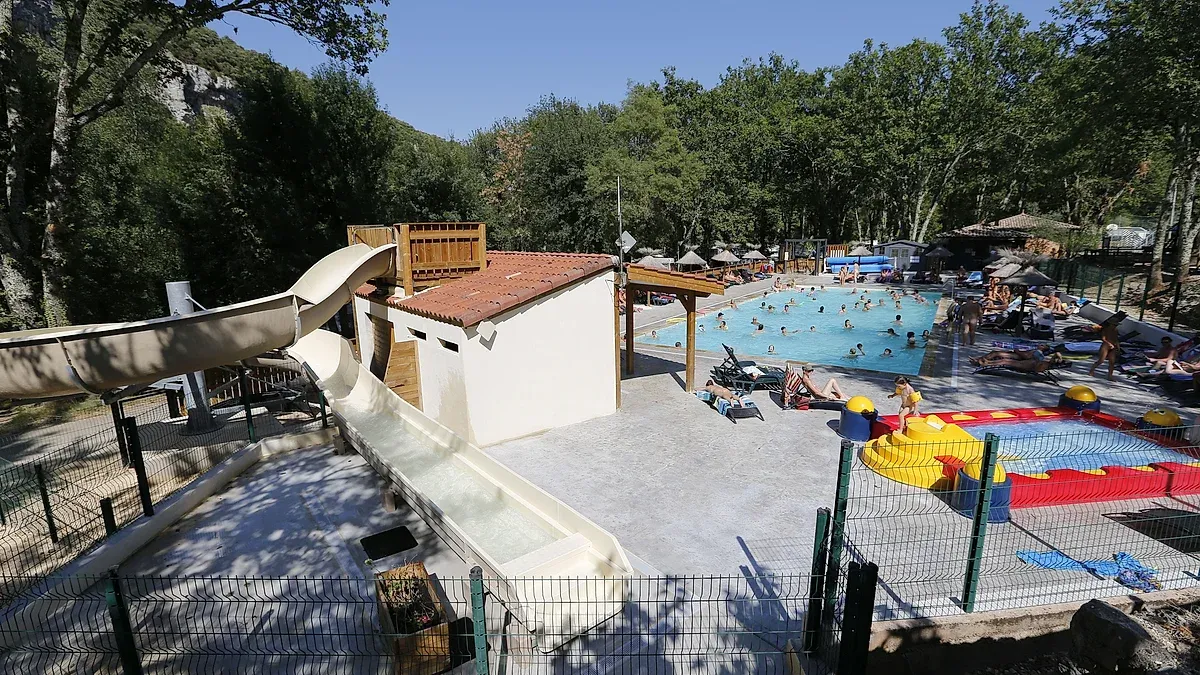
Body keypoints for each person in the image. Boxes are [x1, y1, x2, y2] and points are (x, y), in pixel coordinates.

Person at [1088, 315, 1122, 381]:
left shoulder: (1116, 330)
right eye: (1114, 325)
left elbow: (1116, 339)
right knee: (1101, 360)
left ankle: (1110, 376)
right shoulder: (1106, 330)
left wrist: (1118, 347)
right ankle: (1092, 370)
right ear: (1110, 324)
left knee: (1112, 362)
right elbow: (1103, 339)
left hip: (1113, 346)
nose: (1115, 326)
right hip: (1106, 345)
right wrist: (1109, 344)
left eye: (1116, 325)